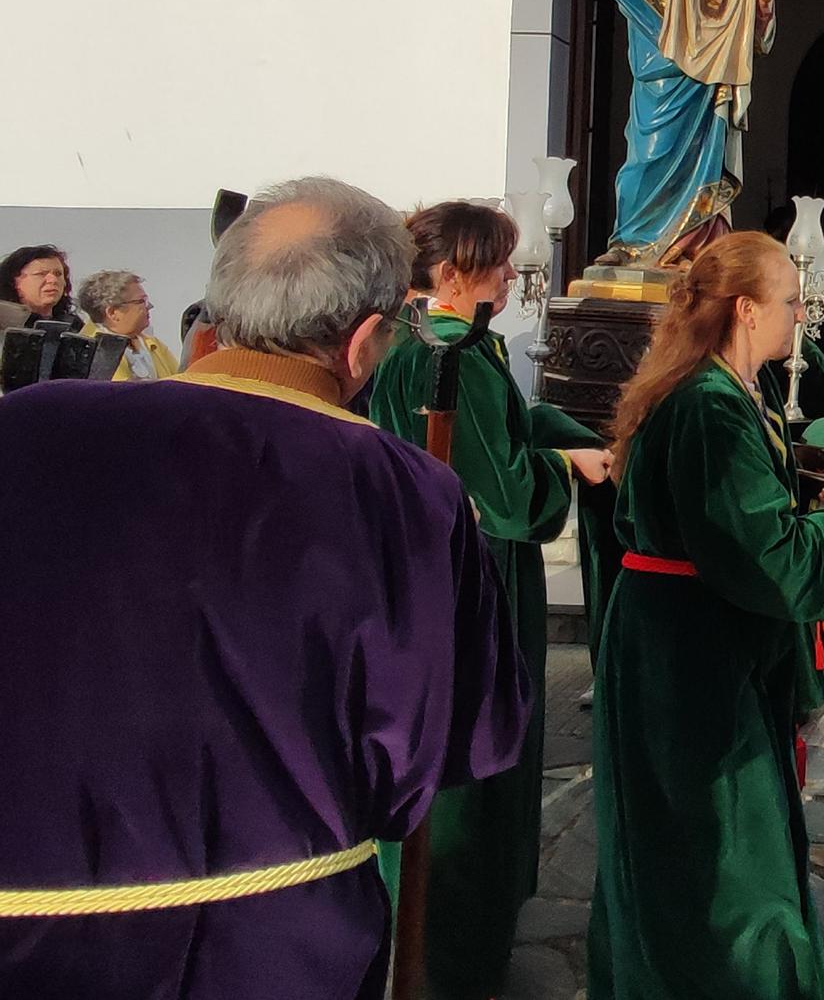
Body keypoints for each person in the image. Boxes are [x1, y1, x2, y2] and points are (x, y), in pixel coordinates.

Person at [0, 177, 531, 998]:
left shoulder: (24, 427)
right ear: (361, 344)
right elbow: (454, 741)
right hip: (268, 943)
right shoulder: (405, 492)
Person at [589, 233, 824, 1000]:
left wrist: (810, 491)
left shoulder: (719, 389)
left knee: (692, 838)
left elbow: (728, 510)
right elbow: (765, 558)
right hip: (689, 654)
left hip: (684, 631)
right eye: (791, 302)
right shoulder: (710, 406)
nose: (801, 315)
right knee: (724, 850)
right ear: (746, 308)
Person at [368, 201, 612, 1000]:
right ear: (449, 273)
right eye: (498, 263)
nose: (511, 276)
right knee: (474, 760)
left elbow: (500, 425)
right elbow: (506, 495)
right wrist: (566, 472)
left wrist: (553, 428)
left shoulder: (412, 342)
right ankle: (456, 955)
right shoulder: (451, 356)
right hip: (476, 581)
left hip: (426, 578)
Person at [599, 0, 777, 264]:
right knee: (650, 153)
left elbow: (751, 23)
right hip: (664, 68)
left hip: (710, 74)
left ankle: (693, 247)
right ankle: (631, 243)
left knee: (704, 157)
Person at [75, 270, 179, 380]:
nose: (149, 306)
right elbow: (120, 392)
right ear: (112, 312)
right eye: (141, 301)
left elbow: (183, 382)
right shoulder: (94, 352)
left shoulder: (154, 344)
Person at [0, 243, 81, 330]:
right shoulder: (3, 325)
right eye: (41, 274)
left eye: (58, 274)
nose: (53, 280)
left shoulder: (77, 328)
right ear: (13, 282)